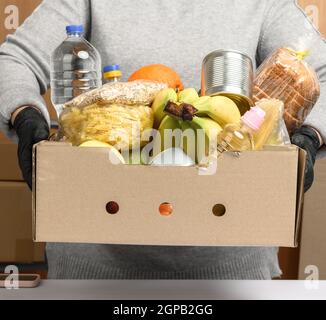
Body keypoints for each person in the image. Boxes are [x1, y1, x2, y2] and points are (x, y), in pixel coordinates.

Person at [0, 0, 325, 280]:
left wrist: (311, 135)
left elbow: (321, 73)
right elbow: (13, 61)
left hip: (231, 270)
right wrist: (25, 115)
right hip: (93, 264)